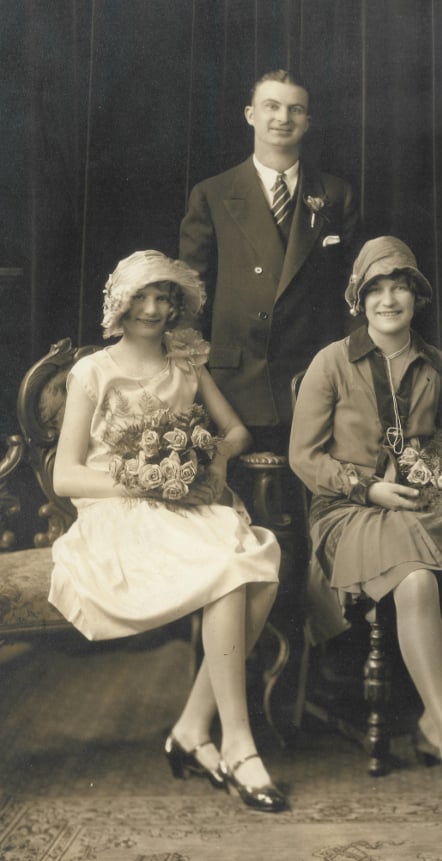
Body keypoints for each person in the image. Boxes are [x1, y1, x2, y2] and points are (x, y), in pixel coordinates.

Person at [48, 251, 286, 812]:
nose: (153, 309)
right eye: (142, 297)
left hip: (182, 503)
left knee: (260, 570)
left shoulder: (186, 364)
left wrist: (213, 456)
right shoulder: (94, 371)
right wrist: (140, 480)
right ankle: (239, 744)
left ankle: (192, 727)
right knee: (232, 569)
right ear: (120, 303)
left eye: (164, 298)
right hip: (119, 513)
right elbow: (65, 476)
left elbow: (237, 432)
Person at [290, 236, 442, 811]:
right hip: (349, 510)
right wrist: (367, 487)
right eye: (376, 289)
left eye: (400, 287)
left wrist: (440, 487)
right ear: (359, 300)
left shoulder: (439, 366)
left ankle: (434, 720)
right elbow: (303, 457)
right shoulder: (331, 362)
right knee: (414, 581)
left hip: (420, 507)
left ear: (417, 297)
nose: (389, 299)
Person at [179, 69, 359, 452]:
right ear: (250, 114)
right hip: (234, 385)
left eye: (296, 109)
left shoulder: (335, 194)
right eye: (271, 106)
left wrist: (349, 370)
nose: (283, 118)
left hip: (312, 379)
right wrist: (194, 376)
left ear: (307, 122)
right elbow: (191, 296)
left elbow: (354, 293)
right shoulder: (212, 194)